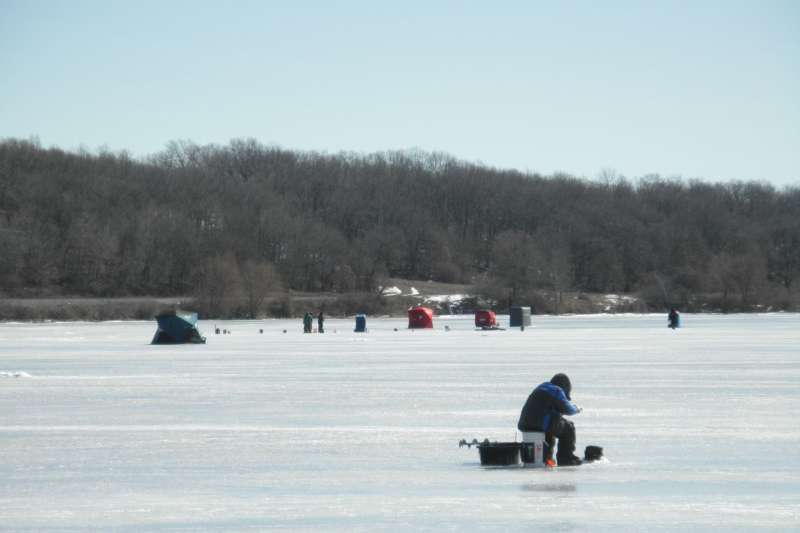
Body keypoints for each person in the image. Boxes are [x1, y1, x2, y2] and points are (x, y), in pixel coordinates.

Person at [517, 373, 583, 466]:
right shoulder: (556, 390)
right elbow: (567, 409)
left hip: (525, 425)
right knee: (569, 427)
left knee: (551, 429)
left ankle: (548, 460)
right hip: (540, 425)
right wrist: (577, 409)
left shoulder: (541, 388)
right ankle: (566, 458)